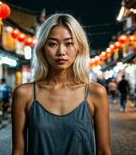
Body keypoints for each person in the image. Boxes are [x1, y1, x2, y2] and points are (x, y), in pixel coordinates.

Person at [12, 13, 111, 155]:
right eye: (52, 44)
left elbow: (104, 151)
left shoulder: (95, 93)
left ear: (79, 47)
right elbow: (18, 151)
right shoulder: (24, 94)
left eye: (69, 43)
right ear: (42, 48)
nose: (61, 52)